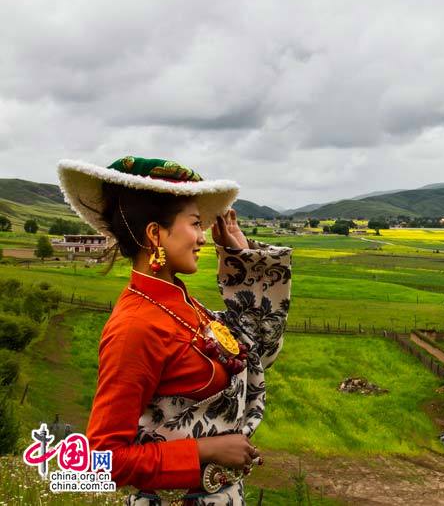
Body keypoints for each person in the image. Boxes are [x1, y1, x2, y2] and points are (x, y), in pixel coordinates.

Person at [57, 156, 292, 505]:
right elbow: (100, 463)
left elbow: (258, 351)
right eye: (196, 224)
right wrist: (202, 450)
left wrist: (243, 259)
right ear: (155, 234)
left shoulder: (184, 307)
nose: (202, 238)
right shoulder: (135, 327)